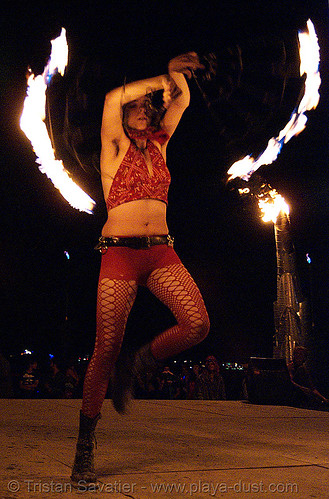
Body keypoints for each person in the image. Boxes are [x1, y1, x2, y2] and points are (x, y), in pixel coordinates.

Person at [71, 52, 210, 484]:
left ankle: (140, 363)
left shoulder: (161, 144)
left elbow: (181, 98)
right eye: (142, 105)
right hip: (120, 252)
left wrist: (174, 72)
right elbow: (115, 96)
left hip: (161, 251)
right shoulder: (114, 146)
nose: (147, 108)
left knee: (197, 324)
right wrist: (156, 81)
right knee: (104, 348)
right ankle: (84, 449)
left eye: (150, 107)